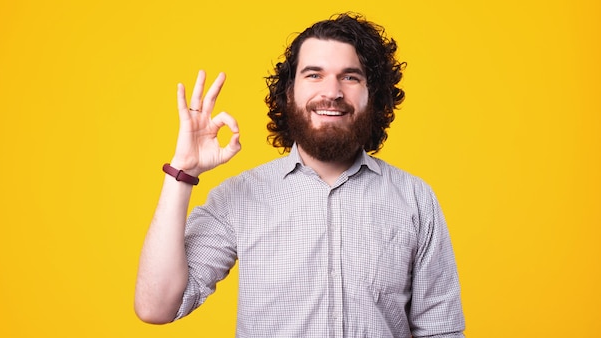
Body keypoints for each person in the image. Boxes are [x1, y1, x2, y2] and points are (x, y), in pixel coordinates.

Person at [135, 12, 465, 337]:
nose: (332, 91)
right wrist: (182, 170)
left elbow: (441, 331)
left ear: (373, 96)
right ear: (289, 92)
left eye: (350, 76)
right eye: (314, 75)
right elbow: (157, 306)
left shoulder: (415, 199)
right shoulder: (239, 196)